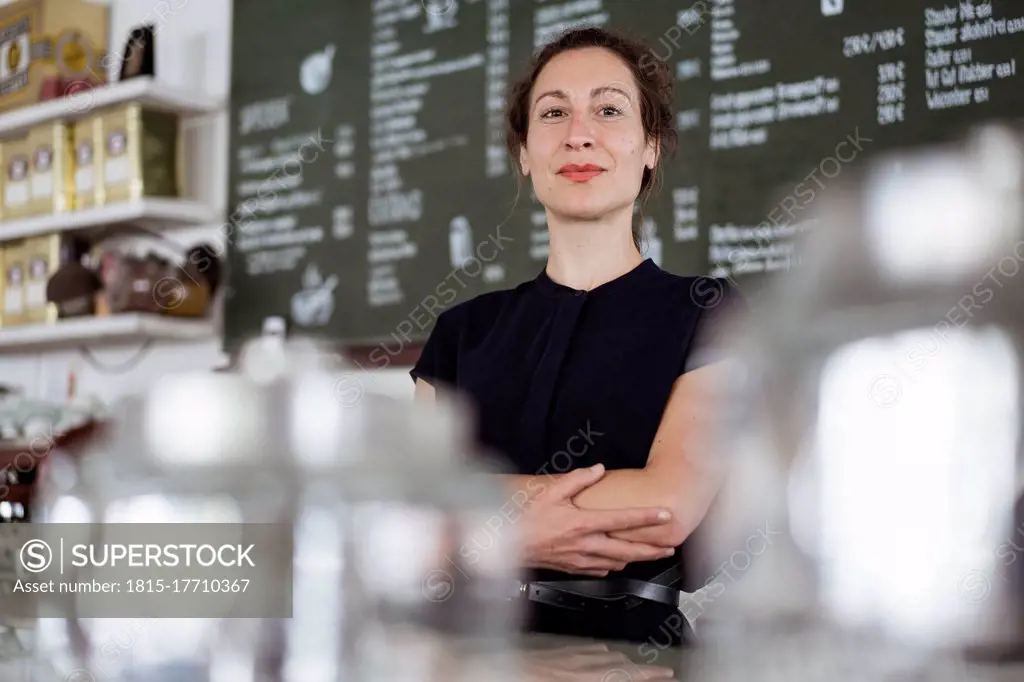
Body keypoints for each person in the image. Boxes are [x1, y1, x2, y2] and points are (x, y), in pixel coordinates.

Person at [411, 26, 742, 648]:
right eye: (554, 112)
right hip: (463, 652)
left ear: (651, 148)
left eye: (609, 110)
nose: (578, 133)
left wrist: (475, 522)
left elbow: (665, 507)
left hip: (633, 659)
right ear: (525, 154)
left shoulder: (710, 312)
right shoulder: (459, 333)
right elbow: (406, 518)